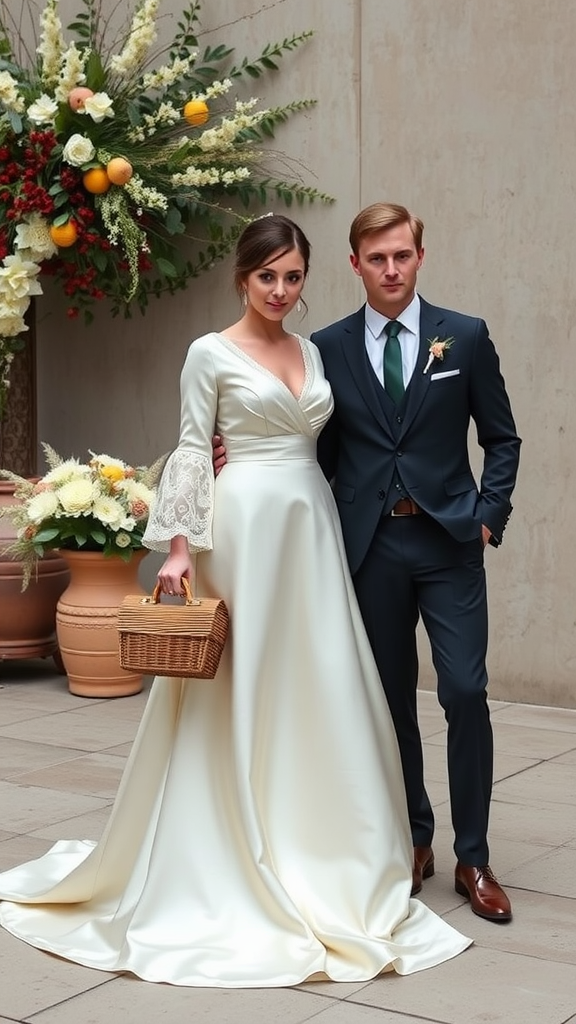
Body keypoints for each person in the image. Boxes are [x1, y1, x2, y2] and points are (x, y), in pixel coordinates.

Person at [0, 214, 471, 987]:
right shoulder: (207, 353)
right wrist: (180, 548)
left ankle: (323, 839)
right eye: (267, 277)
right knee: (240, 682)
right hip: (243, 533)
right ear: (241, 277)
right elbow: (192, 445)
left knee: (314, 680)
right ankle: (227, 841)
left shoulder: (312, 351)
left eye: (293, 277)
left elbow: (337, 442)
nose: (281, 291)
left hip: (309, 527)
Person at [311, 202, 521, 922]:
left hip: (449, 543)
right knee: (390, 701)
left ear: (419, 257)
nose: (391, 269)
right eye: (377, 258)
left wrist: (488, 518)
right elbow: (321, 453)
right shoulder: (327, 347)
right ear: (355, 264)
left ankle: (475, 856)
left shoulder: (461, 336)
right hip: (371, 548)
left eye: (402, 256)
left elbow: (503, 437)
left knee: (464, 690)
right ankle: (414, 839)